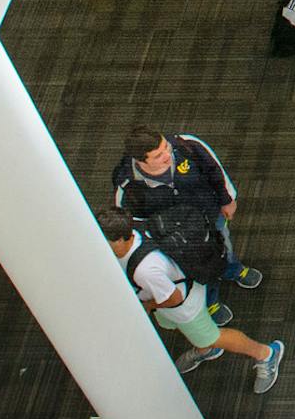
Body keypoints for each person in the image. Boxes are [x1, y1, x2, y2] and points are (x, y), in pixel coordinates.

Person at [100, 208, 283, 390]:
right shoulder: (136, 228)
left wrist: (147, 305)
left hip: (183, 304)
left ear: (120, 239)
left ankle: (266, 354)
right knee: (176, 327)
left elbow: (174, 298)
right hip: (172, 288)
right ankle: (205, 349)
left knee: (212, 336)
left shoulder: (146, 270)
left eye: (106, 241)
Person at [112, 127, 263, 296]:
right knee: (197, 268)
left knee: (223, 246)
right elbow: (135, 223)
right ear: (140, 161)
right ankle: (211, 299)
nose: (168, 155)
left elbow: (214, 170)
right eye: (158, 155)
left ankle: (232, 269)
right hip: (180, 238)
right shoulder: (129, 186)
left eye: (166, 147)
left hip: (211, 216)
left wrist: (227, 199)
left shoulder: (187, 146)